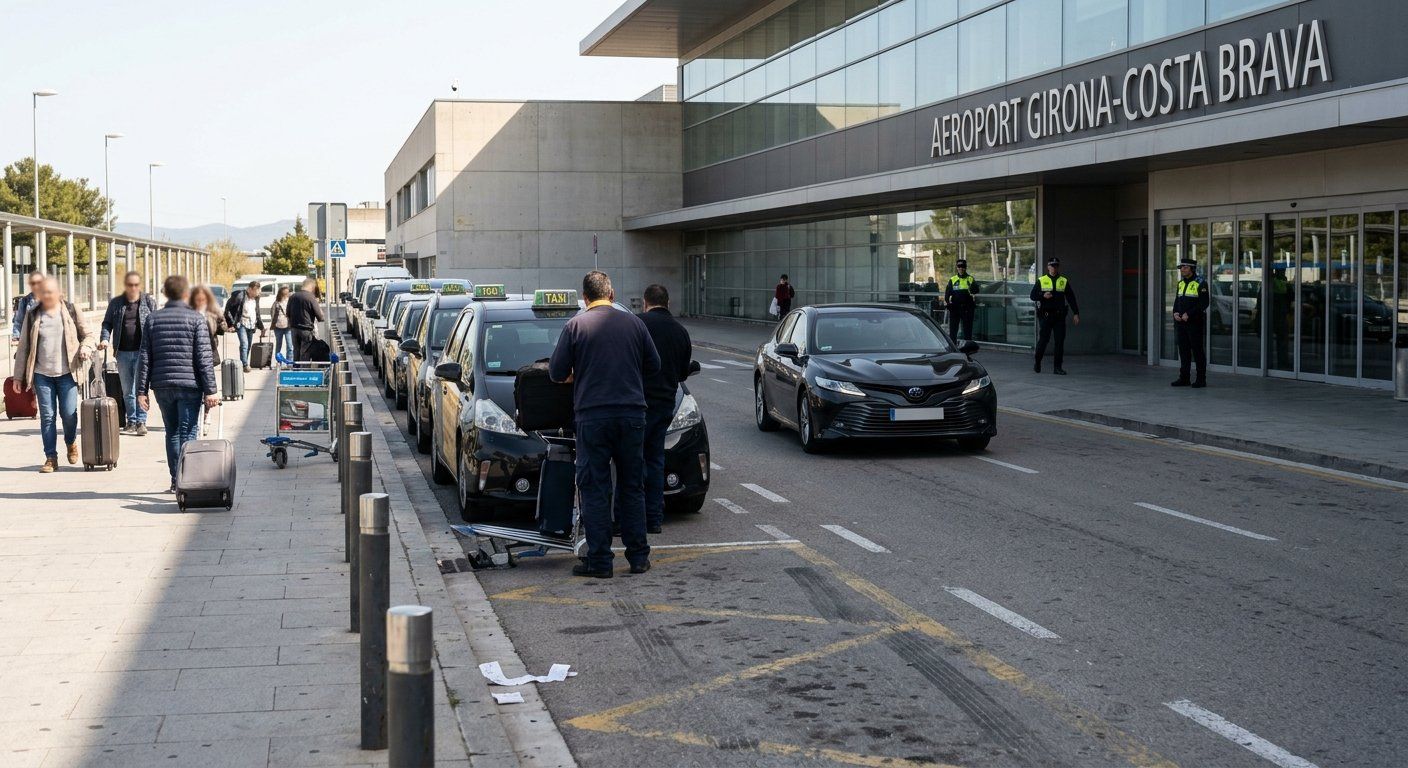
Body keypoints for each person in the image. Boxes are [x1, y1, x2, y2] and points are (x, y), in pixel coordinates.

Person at [548, 270, 660, 579]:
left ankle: (599, 561)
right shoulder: (635, 323)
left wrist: (578, 374)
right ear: (611, 295)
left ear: (585, 298)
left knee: (595, 488)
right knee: (632, 485)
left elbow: (556, 372)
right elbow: (654, 366)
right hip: (632, 416)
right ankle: (638, 557)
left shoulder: (575, 326)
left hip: (593, 417)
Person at [137, 275, 219, 493]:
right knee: (189, 431)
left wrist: (141, 391)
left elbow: (144, 357)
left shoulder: (153, 319)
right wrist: (211, 390)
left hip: (162, 385)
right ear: (186, 294)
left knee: (171, 431)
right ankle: (187, 478)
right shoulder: (196, 319)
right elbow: (204, 358)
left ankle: (175, 480)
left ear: (165, 293)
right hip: (190, 385)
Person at [11, 277, 94, 472]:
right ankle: (50, 458)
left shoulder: (72, 310)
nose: (46, 296)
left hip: (67, 373)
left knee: (69, 414)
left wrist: (86, 347)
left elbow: (88, 335)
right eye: (43, 293)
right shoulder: (33, 315)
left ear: (58, 293)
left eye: (50, 292)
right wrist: (18, 377)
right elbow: (24, 347)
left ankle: (71, 441)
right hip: (42, 374)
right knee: (47, 416)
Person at [637, 284, 693, 535]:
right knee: (656, 458)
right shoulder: (680, 331)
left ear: (645, 303)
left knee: (632, 459)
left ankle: (629, 515)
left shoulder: (637, 324)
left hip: (636, 403)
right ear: (668, 303)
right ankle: (654, 518)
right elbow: (683, 373)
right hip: (664, 404)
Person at [98, 271, 157, 435]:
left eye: (136, 285)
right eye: (130, 285)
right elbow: (107, 323)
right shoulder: (116, 303)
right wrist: (104, 339)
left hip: (142, 352)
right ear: (125, 286)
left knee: (141, 388)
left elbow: (155, 324)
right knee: (127, 390)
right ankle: (131, 420)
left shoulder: (148, 302)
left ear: (140, 285)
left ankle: (141, 421)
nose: (133, 288)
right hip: (122, 353)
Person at [1031, 257, 1080, 375]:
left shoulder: (1063, 280)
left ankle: (1057, 367)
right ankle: (1037, 362)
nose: (1054, 268)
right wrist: (1043, 295)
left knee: (1059, 342)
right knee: (1043, 340)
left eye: (1056, 265)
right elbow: (1032, 296)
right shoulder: (1041, 280)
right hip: (1046, 316)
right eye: (1052, 265)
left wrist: (1076, 313)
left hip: (1059, 316)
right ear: (1048, 267)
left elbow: (1071, 298)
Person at [1171, 257, 1210, 388]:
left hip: (1195, 323)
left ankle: (1201, 379)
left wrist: (1190, 314)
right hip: (1181, 323)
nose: (1182, 269)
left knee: (1197, 351)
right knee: (1183, 351)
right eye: (1181, 267)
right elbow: (1177, 301)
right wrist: (1175, 312)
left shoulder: (1201, 283)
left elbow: (1204, 303)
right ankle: (1184, 378)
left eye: (1185, 267)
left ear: (1192, 269)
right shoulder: (1180, 283)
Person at [222, 281, 264, 372]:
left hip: (251, 324)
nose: (258, 293)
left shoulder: (256, 298)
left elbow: (257, 312)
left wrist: (261, 326)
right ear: (251, 289)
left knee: (248, 345)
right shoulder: (240, 296)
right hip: (241, 323)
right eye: (257, 291)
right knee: (244, 344)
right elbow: (228, 309)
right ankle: (244, 364)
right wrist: (231, 324)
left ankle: (244, 362)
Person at [286, 278, 325, 361]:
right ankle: (303, 370)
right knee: (305, 352)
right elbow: (320, 317)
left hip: (294, 329)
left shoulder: (293, 296)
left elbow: (287, 313)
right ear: (312, 287)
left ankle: (295, 370)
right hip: (306, 330)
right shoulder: (311, 297)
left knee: (296, 351)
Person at [944, 259, 979, 341]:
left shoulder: (970, 279)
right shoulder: (953, 279)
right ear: (957, 267)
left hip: (967, 308)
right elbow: (947, 294)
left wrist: (973, 288)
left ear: (965, 267)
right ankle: (953, 347)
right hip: (955, 308)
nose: (961, 268)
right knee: (953, 329)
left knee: (967, 329)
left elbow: (976, 290)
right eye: (959, 266)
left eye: (963, 266)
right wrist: (948, 304)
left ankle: (967, 346)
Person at [10, 271, 44, 343]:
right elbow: (19, 321)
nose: (36, 285)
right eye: (33, 283)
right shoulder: (24, 301)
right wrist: (16, 337)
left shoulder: (50, 299)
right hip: (30, 339)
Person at [270, 285, 292, 361]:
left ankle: (289, 361)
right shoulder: (276, 303)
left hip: (288, 327)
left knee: (289, 345)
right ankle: (279, 361)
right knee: (279, 345)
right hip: (278, 327)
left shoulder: (290, 302)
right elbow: (272, 315)